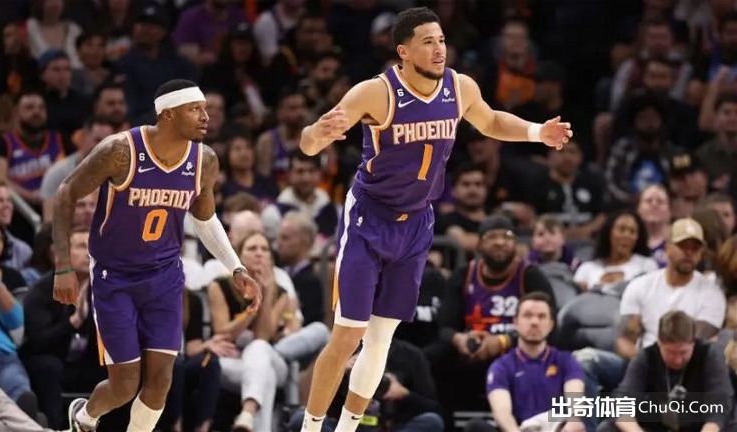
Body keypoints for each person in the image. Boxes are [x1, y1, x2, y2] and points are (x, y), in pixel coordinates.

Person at [297, 7, 572, 432]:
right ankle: (311, 427)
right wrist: (319, 133)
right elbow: (308, 143)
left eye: (441, 40)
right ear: (403, 52)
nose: (440, 49)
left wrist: (538, 132)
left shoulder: (460, 87)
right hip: (370, 218)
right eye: (428, 42)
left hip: (416, 224)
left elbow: (491, 121)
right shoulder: (375, 93)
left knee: (381, 338)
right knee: (348, 334)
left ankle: (348, 429)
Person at [51, 79, 262, 432]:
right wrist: (62, 266)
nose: (206, 117)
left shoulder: (204, 160)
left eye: (205, 109)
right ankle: (84, 416)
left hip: (164, 277)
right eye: (195, 109)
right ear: (168, 115)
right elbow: (65, 193)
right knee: (124, 385)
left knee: (161, 381)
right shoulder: (120, 150)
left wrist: (236, 267)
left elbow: (205, 219)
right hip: (115, 277)